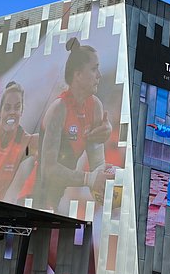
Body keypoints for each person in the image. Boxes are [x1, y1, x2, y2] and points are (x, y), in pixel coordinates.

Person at [34, 38, 112, 211]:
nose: (99, 75)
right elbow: (48, 170)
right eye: (94, 69)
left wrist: (105, 180)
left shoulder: (96, 106)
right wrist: (90, 179)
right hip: (34, 196)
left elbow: (97, 162)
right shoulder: (59, 109)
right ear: (77, 74)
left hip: (56, 197)